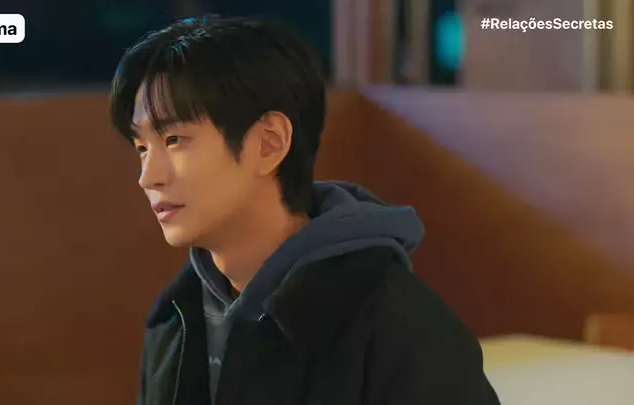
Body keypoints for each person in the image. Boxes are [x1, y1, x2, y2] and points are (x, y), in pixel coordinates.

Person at [109, 16, 500, 405]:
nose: (148, 177)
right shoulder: (175, 320)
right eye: (142, 147)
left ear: (269, 143)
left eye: (174, 140)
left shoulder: (399, 326)